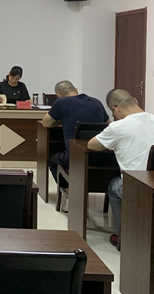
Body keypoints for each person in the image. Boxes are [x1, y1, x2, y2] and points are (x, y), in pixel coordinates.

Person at [88, 88, 154, 248]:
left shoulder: (118, 127)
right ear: (135, 101)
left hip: (137, 188)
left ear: (115, 109)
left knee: (113, 186)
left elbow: (92, 145)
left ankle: (124, 235)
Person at [41, 81, 109, 212]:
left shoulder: (61, 102)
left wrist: (61, 121)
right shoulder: (96, 102)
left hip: (74, 158)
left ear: (58, 95)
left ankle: (69, 193)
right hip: (100, 156)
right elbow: (107, 124)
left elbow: (46, 123)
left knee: (52, 160)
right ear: (76, 90)